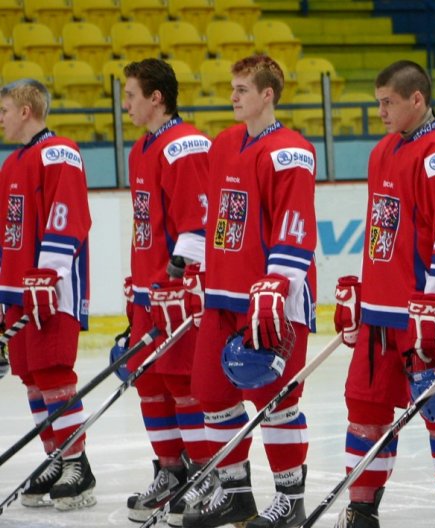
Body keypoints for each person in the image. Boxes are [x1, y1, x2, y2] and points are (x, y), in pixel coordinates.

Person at [332, 60, 435, 528]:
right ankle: (362, 508)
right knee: (365, 407)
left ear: (416, 99)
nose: (381, 112)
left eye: (388, 103)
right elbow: (383, 233)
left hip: (428, 314)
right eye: (378, 103)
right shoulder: (383, 152)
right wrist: (363, 291)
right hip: (381, 312)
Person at [182, 54, 317, 528]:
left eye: (242, 89)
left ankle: (290, 501)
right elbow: (214, 215)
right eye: (232, 88)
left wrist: (277, 285)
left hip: (269, 300)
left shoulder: (290, 150)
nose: (233, 97)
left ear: (267, 95)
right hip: (222, 295)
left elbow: (295, 226)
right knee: (211, 392)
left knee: (275, 400)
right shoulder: (223, 144)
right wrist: (196, 266)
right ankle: (237, 493)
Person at [122, 58, 212, 527]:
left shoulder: (185, 145)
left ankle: (204, 474)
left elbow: (198, 221)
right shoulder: (142, 148)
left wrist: (176, 279)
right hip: (147, 291)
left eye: (131, 95)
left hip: (176, 293)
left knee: (182, 385)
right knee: (150, 383)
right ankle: (172, 470)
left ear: (156, 97)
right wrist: (138, 287)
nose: (125, 105)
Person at [0, 79, 95, 510]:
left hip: (50, 289)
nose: (0, 117)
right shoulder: (11, 163)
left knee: (54, 373)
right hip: (18, 289)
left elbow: (68, 218)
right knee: (32, 377)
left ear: (25, 110)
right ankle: (55, 457)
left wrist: (48, 274)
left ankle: (77, 463)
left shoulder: (58, 152)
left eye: (4, 108)